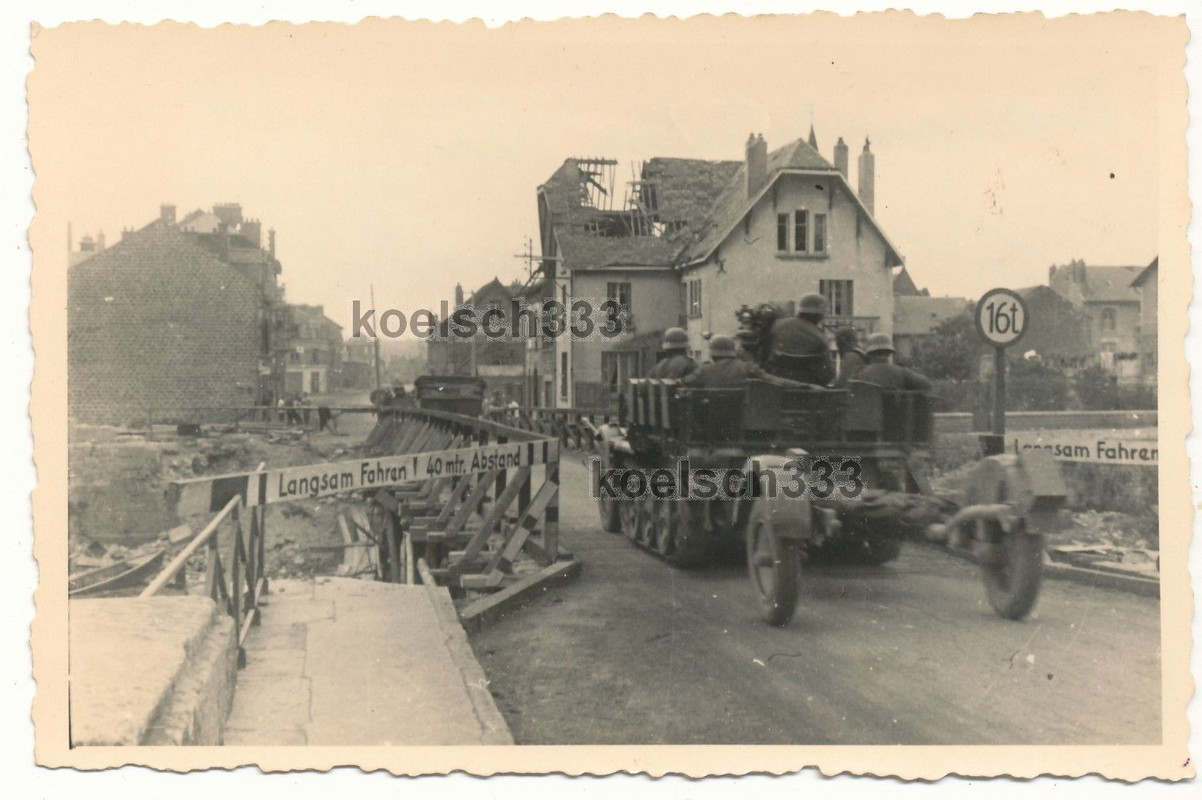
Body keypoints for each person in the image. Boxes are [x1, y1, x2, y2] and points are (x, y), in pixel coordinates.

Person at [683, 335, 805, 388]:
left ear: (712, 354)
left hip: (712, 424)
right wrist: (805, 386)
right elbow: (773, 380)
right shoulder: (747, 367)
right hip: (742, 421)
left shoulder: (704, 370)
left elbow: (685, 382)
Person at [765, 293, 834, 386]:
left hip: (775, 385)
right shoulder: (819, 337)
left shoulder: (777, 326)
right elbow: (828, 376)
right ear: (820, 315)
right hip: (806, 391)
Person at [854, 333, 934, 391]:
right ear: (889, 353)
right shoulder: (901, 372)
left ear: (869, 354)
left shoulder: (859, 373)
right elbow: (927, 384)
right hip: (894, 414)